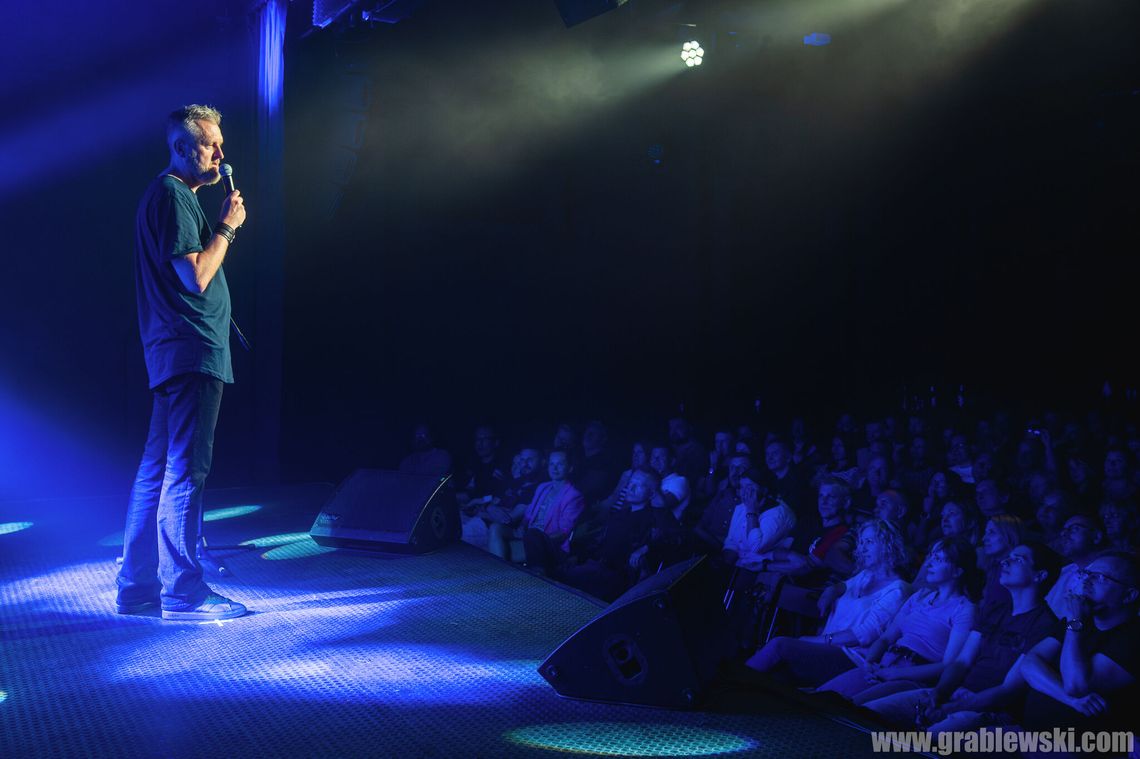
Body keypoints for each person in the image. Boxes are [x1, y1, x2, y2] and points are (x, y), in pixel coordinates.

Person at [116, 105, 247, 621]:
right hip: (190, 349)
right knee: (185, 472)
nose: (220, 154)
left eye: (219, 143)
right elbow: (195, 277)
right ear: (180, 147)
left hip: (175, 351)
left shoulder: (172, 196)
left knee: (156, 471)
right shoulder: (173, 194)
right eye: (209, 144)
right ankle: (183, 592)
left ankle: (137, 586)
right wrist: (228, 229)